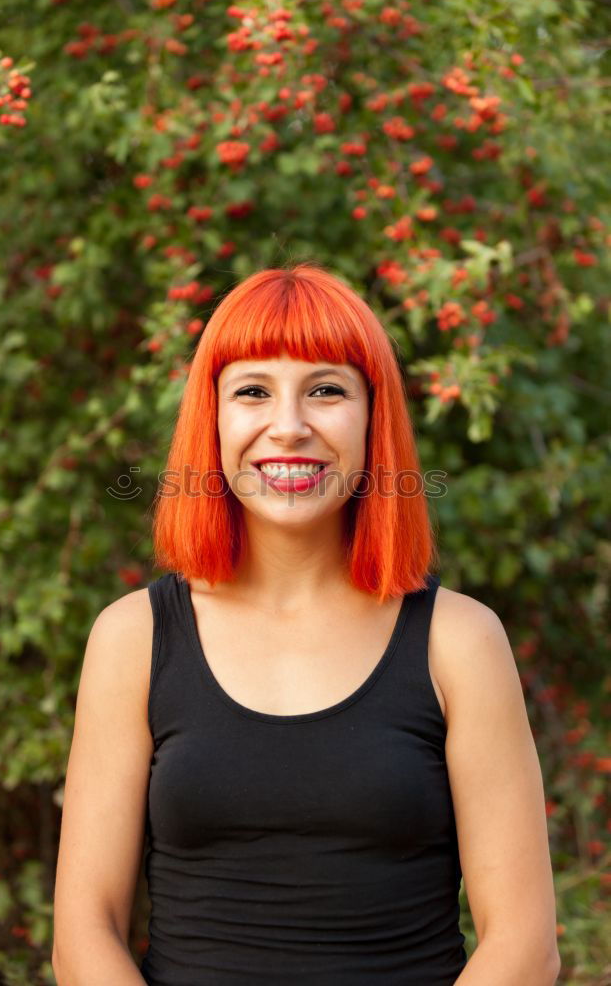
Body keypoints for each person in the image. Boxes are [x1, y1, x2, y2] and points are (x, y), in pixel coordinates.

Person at [52, 263, 561, 985]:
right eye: (252, 391)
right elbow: (82, 936)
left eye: (326, 390)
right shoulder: (133, 639)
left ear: (372, 419)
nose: (287, 427)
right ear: (213, 419)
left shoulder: (460, 641)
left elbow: (522, 946)